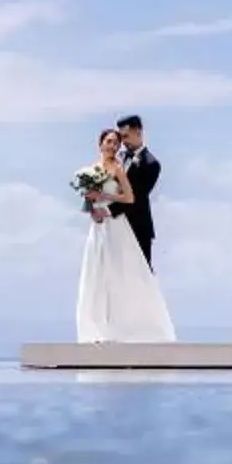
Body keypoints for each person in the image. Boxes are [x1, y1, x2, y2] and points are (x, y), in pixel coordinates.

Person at [76, 126, 176, 345]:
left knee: (120, 271)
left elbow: (130, 198)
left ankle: (128, 326)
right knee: (97, 272)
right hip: (99, 226)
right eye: (109, 141)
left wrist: (102, 196)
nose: (113, 146)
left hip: (116, 224)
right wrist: (93, 209)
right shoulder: (91, 170)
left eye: (116, 142)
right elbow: (87, 201)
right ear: (100, 143)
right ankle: (98, 326)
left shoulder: (119, 168)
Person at [115, 115, 160, 266]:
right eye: (121, 137)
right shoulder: (118, 158)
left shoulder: (151, 163)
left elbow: (137, 197)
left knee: (140, 275)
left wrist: (108, 211)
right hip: (115, 227)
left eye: (126, 136)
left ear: (138, 132)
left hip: (138, 227)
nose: (123, 141)